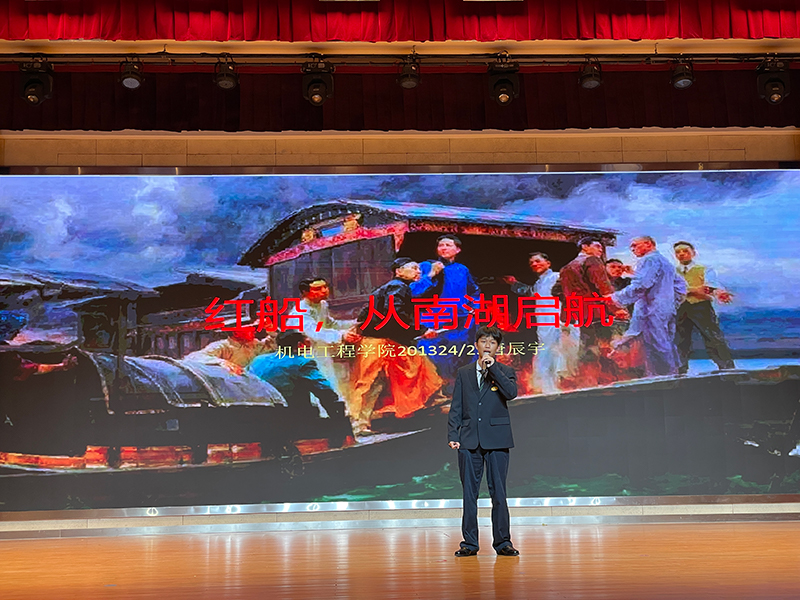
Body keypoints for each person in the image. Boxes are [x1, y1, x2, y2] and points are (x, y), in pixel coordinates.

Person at [448, 325, 519, 557]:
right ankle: (469, 543)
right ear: (476, 345)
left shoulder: (505, 371)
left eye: (492, 342)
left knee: (499, 492)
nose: (487, 346)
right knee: (469, 494)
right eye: (483, 341)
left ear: (498, 348)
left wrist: (493, 369)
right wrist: (453, 434)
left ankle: (503, 542)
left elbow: (511, 393)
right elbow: (457, 405)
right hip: (469, 440)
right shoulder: (465, 372)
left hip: (497, 439)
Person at [351, 258, 443, 435]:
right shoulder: (397, 287)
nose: (418, 271)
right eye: (414, 268)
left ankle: (430, 401)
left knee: (417, 364)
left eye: (419, 269)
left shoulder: (395, 288)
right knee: (372, 380)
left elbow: (369, 312)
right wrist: (422, 330)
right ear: (399, 271)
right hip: (378, 340)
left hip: (386, 339)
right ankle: (359, 423)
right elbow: (395, 314)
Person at [248, 331, 353, 446]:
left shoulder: (258, 360)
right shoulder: (301, 363)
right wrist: (337, 416)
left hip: (260, 416)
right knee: (335, 415)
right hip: (292, 416)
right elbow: (324, 391)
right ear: (299, 345)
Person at [610, 236, 687, 377]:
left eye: (635, 245)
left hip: (651, 309)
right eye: (631, 247)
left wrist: (614, 298)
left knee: (655, 343)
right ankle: (672, 374)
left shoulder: (649, 260)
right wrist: (671, 303)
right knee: (666, 342)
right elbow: (681, 287)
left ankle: (663, 377)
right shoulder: (665, 262)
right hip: (665, 309)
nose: (632, 249)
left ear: (648, 244)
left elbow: (641, 285)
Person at [411, 235, 481, 389]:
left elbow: (474, 290)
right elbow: (413, 291)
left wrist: (473, 308)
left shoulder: (462, 269)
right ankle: (437, 391)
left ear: (458, 249)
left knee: (461, 355)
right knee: (432, 358)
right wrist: (431, 275)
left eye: (448, 245)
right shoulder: (425, 266)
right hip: (434, 320)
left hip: (459, 321)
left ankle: (460, 389)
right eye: (441, 245)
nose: (443, 248)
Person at [556, 237, 626, 387]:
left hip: (580, 314)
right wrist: (617, 309)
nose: (601, 250)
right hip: (597, 312)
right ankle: (607, 381)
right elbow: (604, 287)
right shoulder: (592, 261)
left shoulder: (566, 267)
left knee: (588, 346)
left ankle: (588, 380)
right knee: (605, 347)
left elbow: (556, 291)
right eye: (597, 246)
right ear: (585, 246)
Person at [504, 252, 576, 394]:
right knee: (546, 349)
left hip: (558, 318)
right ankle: (546, 385)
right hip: (544, 320)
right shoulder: (539, 282)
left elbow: (569, 294)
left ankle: (558, 384)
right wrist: (514, 283)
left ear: (548, 263)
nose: (534, 264)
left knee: (558, 349)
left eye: (538, 261)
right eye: (532, 263)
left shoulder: (557, 277)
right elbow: (531, 292)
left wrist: (566, 318)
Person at [285, 277, 361, 395]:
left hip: (319, 350)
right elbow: (314, 332)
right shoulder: (301, 311)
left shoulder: (322, 305)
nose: (324, 291)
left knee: (328, 380)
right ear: (305, 292)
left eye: (325, 287)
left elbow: (330, 323)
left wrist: (355, 323)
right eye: (317, 289)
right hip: (301, 353)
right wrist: (341, 336)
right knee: (314, 384)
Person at [673, 242, 735, 374]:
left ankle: (727, 368)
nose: (681, 254)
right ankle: (680, 371)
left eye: (685, 251)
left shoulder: (704, 269)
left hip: (701, 307)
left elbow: (709, 288)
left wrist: (686, 290)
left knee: (713, 337)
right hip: (680, 308)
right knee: (680, 340)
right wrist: (696, 290)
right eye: (678, 252)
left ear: (693, 253)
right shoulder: (672, 272)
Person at [185, 324, 273, 375]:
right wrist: (222, 362)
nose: (254, 331)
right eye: (249, 329)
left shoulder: (254, 344)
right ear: (236, 333)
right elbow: (193, 357)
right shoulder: (222, 346)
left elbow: (274, 347)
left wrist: (271, 328)